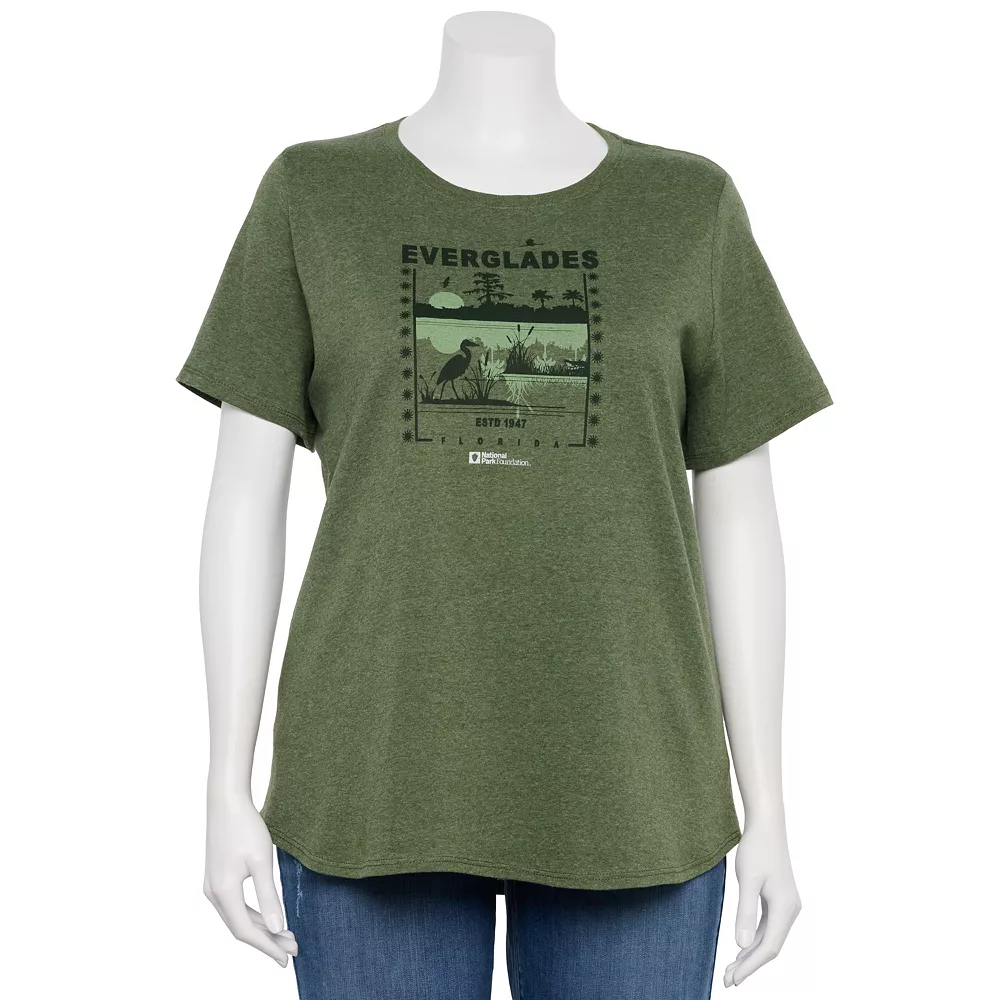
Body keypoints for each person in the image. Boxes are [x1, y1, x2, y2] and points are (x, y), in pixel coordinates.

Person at [178, 12, 832, 998]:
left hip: (634, 782)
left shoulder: (687, 206)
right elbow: (242, 498)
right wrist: (223, 781)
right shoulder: (314, 194)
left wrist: (769, 803)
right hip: (373, 772)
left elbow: (741, 514)